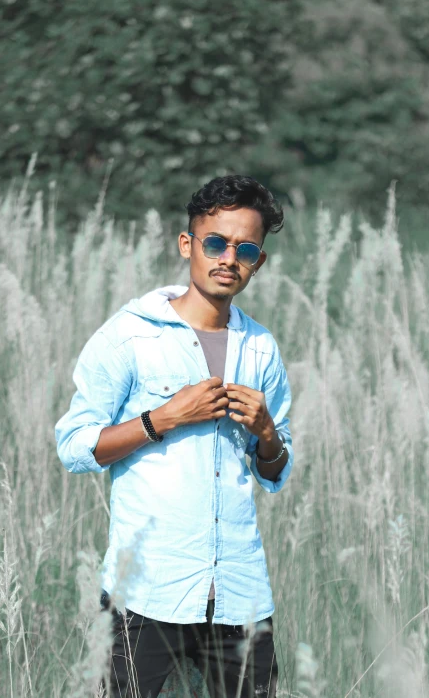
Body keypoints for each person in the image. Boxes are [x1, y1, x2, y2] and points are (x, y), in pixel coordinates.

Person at [54, 174, 294, 698]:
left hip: (239, 592)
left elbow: (275, 470)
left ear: (259, 262)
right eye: (215, 243)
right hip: (145, 589)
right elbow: (74, 446)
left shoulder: (261, 348)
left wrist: (267, 433)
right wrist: (161, 419)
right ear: (188, 244)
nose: (228, 258)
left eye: (246, 249)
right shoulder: (131, 334)